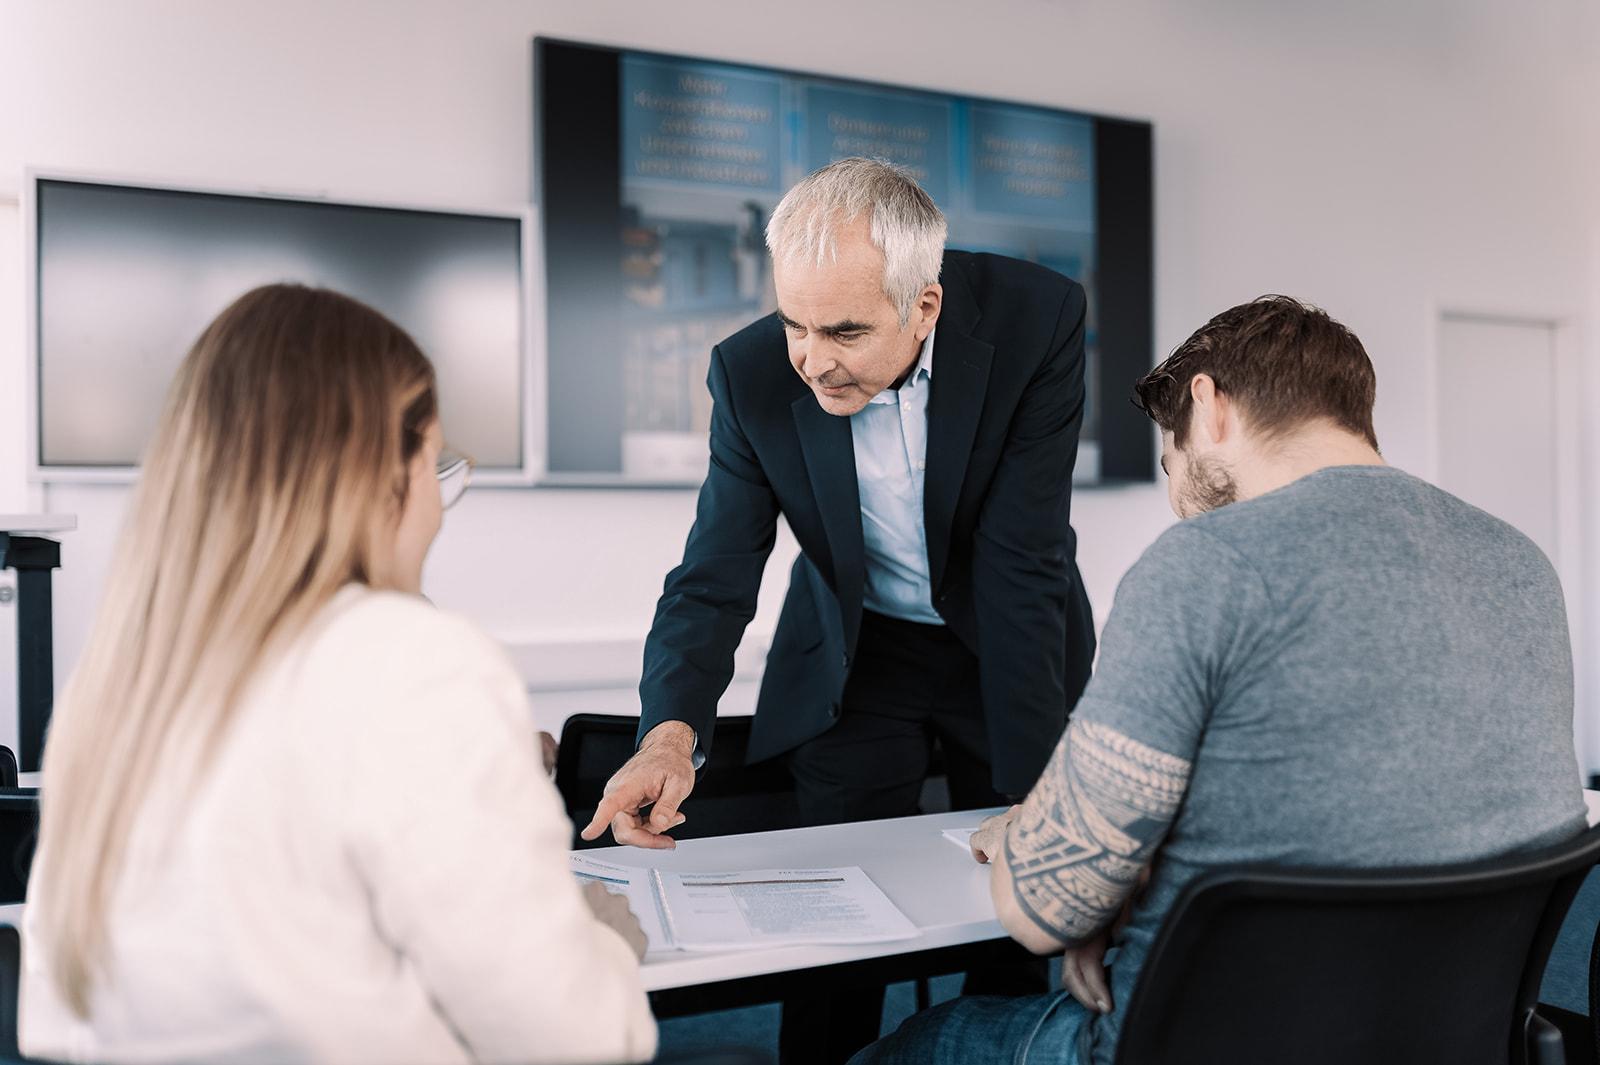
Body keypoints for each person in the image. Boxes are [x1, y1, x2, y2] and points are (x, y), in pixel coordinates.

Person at [849, 295, 1589, 1065]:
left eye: (1171, 463)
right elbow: (1394, 809)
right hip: (1447, 1036)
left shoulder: (1210, 563)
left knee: (899, 1047)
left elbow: (1044, 911)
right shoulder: (1520, 564)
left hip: (1198, 1038)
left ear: (1208, 403)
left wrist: (1033, 839)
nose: (1178, 501)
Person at [20, 285, 657, 1064]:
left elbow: (53, 1018)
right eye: (435, 463)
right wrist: (610, 950)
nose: (438, 506)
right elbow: (574, 1037)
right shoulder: (412, 659)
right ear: (375, 473)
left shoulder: (116, 679)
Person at [584, 157, 1097, 1060]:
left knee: (1014, 912)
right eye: (795, 323)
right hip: (857, 656)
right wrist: (667, 732)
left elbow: (1023, 562)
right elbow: (714, 573)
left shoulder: (1037, 320)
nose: (813, 360)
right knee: (829, 913)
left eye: (847, 331)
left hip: (1009, 641)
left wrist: (1032, 793)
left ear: (924, 306)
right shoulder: (748, 374)